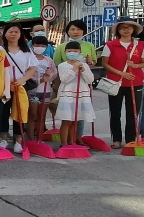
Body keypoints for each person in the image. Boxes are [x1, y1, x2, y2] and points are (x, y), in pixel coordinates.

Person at [101, 17, 144, 149]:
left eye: (129, 27)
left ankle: (130, 139)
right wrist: (121, 73)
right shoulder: (110, 45)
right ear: (118, 30)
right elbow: (105, 63)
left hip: (135, 82)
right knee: (115, 112)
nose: (126, 30)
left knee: (133, 113)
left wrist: (135, 66)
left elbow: (143, 62)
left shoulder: (140, 45)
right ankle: (117, 139)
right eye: (123, 27)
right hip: (115, 83)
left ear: (133, 30)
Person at [3, 22, 38, 153]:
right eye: (10, 32)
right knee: (2, 113)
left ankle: (18, 141)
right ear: (5, 34)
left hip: (20, 87)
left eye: (16, 32)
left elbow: (32, 68)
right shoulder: (0, 50)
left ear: (20, 34)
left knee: (20, 113)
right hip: (3, 87)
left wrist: (22, 80)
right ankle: (3, 139)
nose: (13, 34)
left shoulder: (26, 51)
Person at [56, 41, 95, 146]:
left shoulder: (84, 65)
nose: (72, 53)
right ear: (65, 52)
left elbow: (90, 80)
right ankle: (63, 144)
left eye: (75, 51)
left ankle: (72, 143)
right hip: (68, 95)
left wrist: (83, 70)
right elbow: (64, 79)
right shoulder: (62, 66)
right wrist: (73, 69)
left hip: (81, 95)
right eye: (69, 51)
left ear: (80, 52)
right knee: (67, 120)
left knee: (75, 121)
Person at [26, 36, 56, 141]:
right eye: (37, 45)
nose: (40, 47)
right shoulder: (29, 59)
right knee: (32, 116)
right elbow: (26, 75)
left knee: (41, 116)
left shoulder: (48, 60)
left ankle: (39, 139)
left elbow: (54, 73)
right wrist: (41, 80)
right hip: (32, 91)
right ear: (32, 45)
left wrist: (49, 76)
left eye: (43, 45)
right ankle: (30, 139)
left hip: (45, 91)